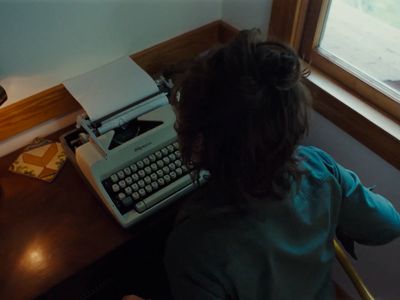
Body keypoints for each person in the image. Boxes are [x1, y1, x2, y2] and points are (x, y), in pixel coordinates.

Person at [123, 29, 400, 299]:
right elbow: (388, 224)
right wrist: (336, 200)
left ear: (199, 142)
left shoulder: (194, 245)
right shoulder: (320, 167)